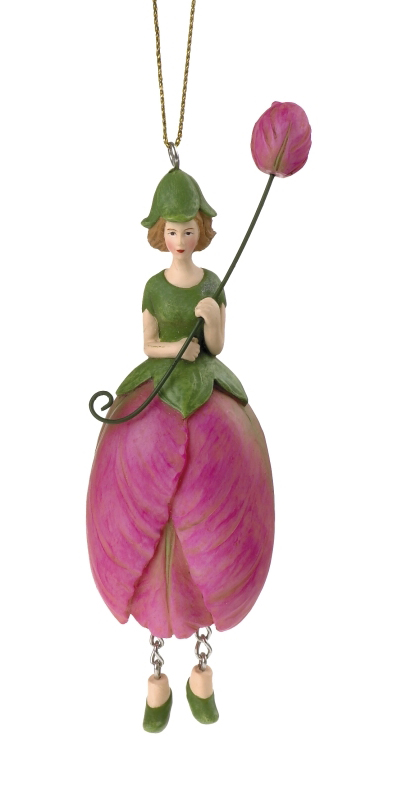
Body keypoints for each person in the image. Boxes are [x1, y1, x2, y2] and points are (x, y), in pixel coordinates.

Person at [86, 169, 275, 732]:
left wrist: (211, 323)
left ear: (201, 231)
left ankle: (199, 678)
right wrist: (178, 350)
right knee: (148, 521)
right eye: (172, 231)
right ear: (160, 234)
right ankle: (159, 685)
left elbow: (217, 343)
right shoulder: (153, 287)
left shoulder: (212, 283)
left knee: (197, 561)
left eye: (188, 230)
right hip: (158, 381)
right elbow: (148, 343)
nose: (180, 239)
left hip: (210, 391)